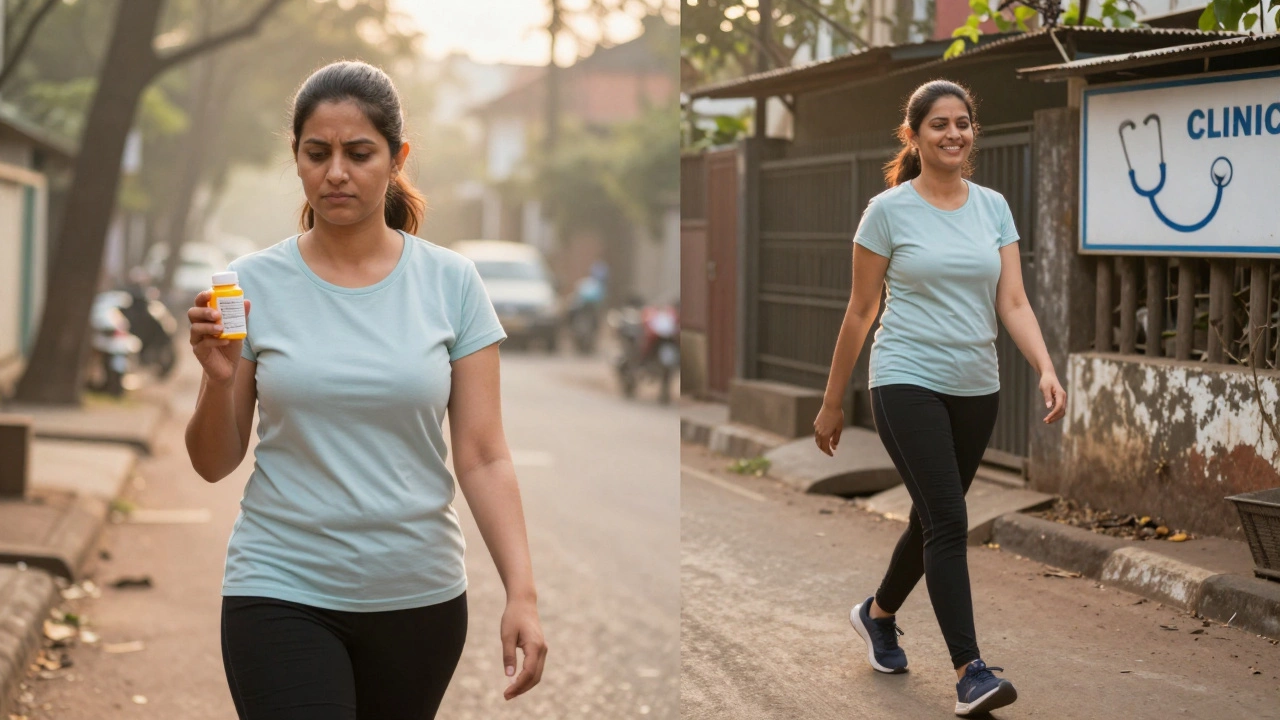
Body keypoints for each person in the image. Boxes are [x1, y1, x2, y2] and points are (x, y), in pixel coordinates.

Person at [184, 60, 547, 720]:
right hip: (279, 588)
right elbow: (213, 464)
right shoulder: (249, 283)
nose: (336, 172)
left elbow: (485, 455)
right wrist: (218, 383)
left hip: (419, 600)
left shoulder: (452, 283)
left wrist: (521, 592)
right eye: (317, 153)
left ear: (397, 157)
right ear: (295, 157)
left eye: (359, 153)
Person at [813, 79, 1066, 718]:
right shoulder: (887, 211)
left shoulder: (994, 207)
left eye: (963, 123)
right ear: (915, 135)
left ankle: (877, 615)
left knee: (932, 517)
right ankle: (970, 671)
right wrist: (833, 400)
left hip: (977, 384)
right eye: (939, 125)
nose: (954, 134)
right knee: (951, 519)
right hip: (904, 377)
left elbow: (1012, 300)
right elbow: (860, 312)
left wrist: (1044, 366)